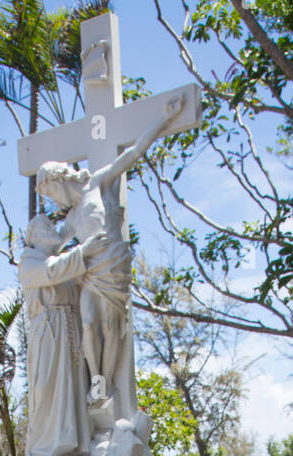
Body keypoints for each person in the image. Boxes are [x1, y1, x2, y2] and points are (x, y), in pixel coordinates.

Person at [36, 94, 186, 418]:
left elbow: (133, 152)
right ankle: (99, 382)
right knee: (88, 322)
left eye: (51, 192)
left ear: (60, 179)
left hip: (113, 265)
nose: (54, 200)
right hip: (90, 272)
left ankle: (107, 385)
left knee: (109, 323)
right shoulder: (71, 219)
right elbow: (52, 248)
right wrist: (30, 258)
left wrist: (164, 119)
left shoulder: (97, 182)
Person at [18, 214, 98, 456]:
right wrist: (82, 251)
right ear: (34, 236)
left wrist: (72, 230)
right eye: (46, 226)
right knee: (49, 388)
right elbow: (50, 272)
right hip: (49, 330)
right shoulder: (29, 261)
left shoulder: (60, 260)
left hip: (71, 328)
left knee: (73, 386)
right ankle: (47, 448)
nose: (52, 228)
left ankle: (72, 447)